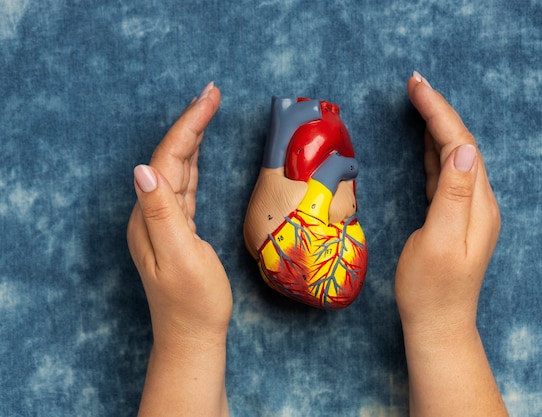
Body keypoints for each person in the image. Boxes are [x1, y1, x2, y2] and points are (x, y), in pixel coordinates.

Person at [126, 73, 508, 416]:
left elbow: (321, 198)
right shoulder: (319, 237)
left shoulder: (309, 237)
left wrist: (188, 338)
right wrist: (444, 326)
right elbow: (323, 195)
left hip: (304, 248)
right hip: (309, 249)